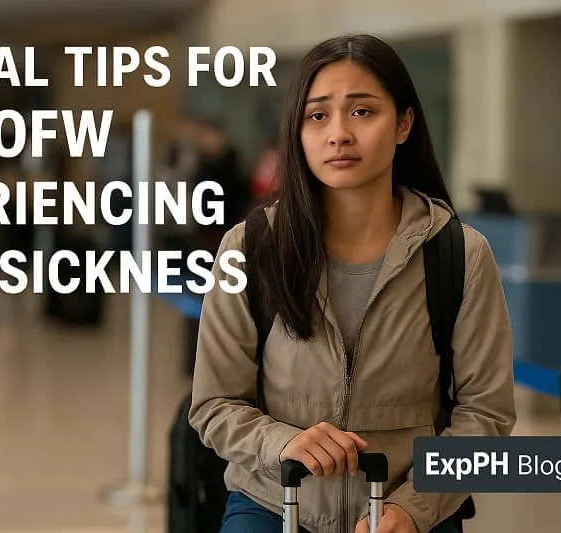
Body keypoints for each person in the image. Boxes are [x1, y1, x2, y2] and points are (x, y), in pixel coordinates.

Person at [188, 33, 516, 533]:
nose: (338, 133)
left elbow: (486, 414)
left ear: (404, 123)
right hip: (273, 505)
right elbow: (214, 405)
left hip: (409, 513)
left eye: (363, 112)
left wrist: (413, 508)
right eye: (317, 115)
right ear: (296, 132)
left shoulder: (458, 255)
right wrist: (283, 443)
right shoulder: (251, 248)